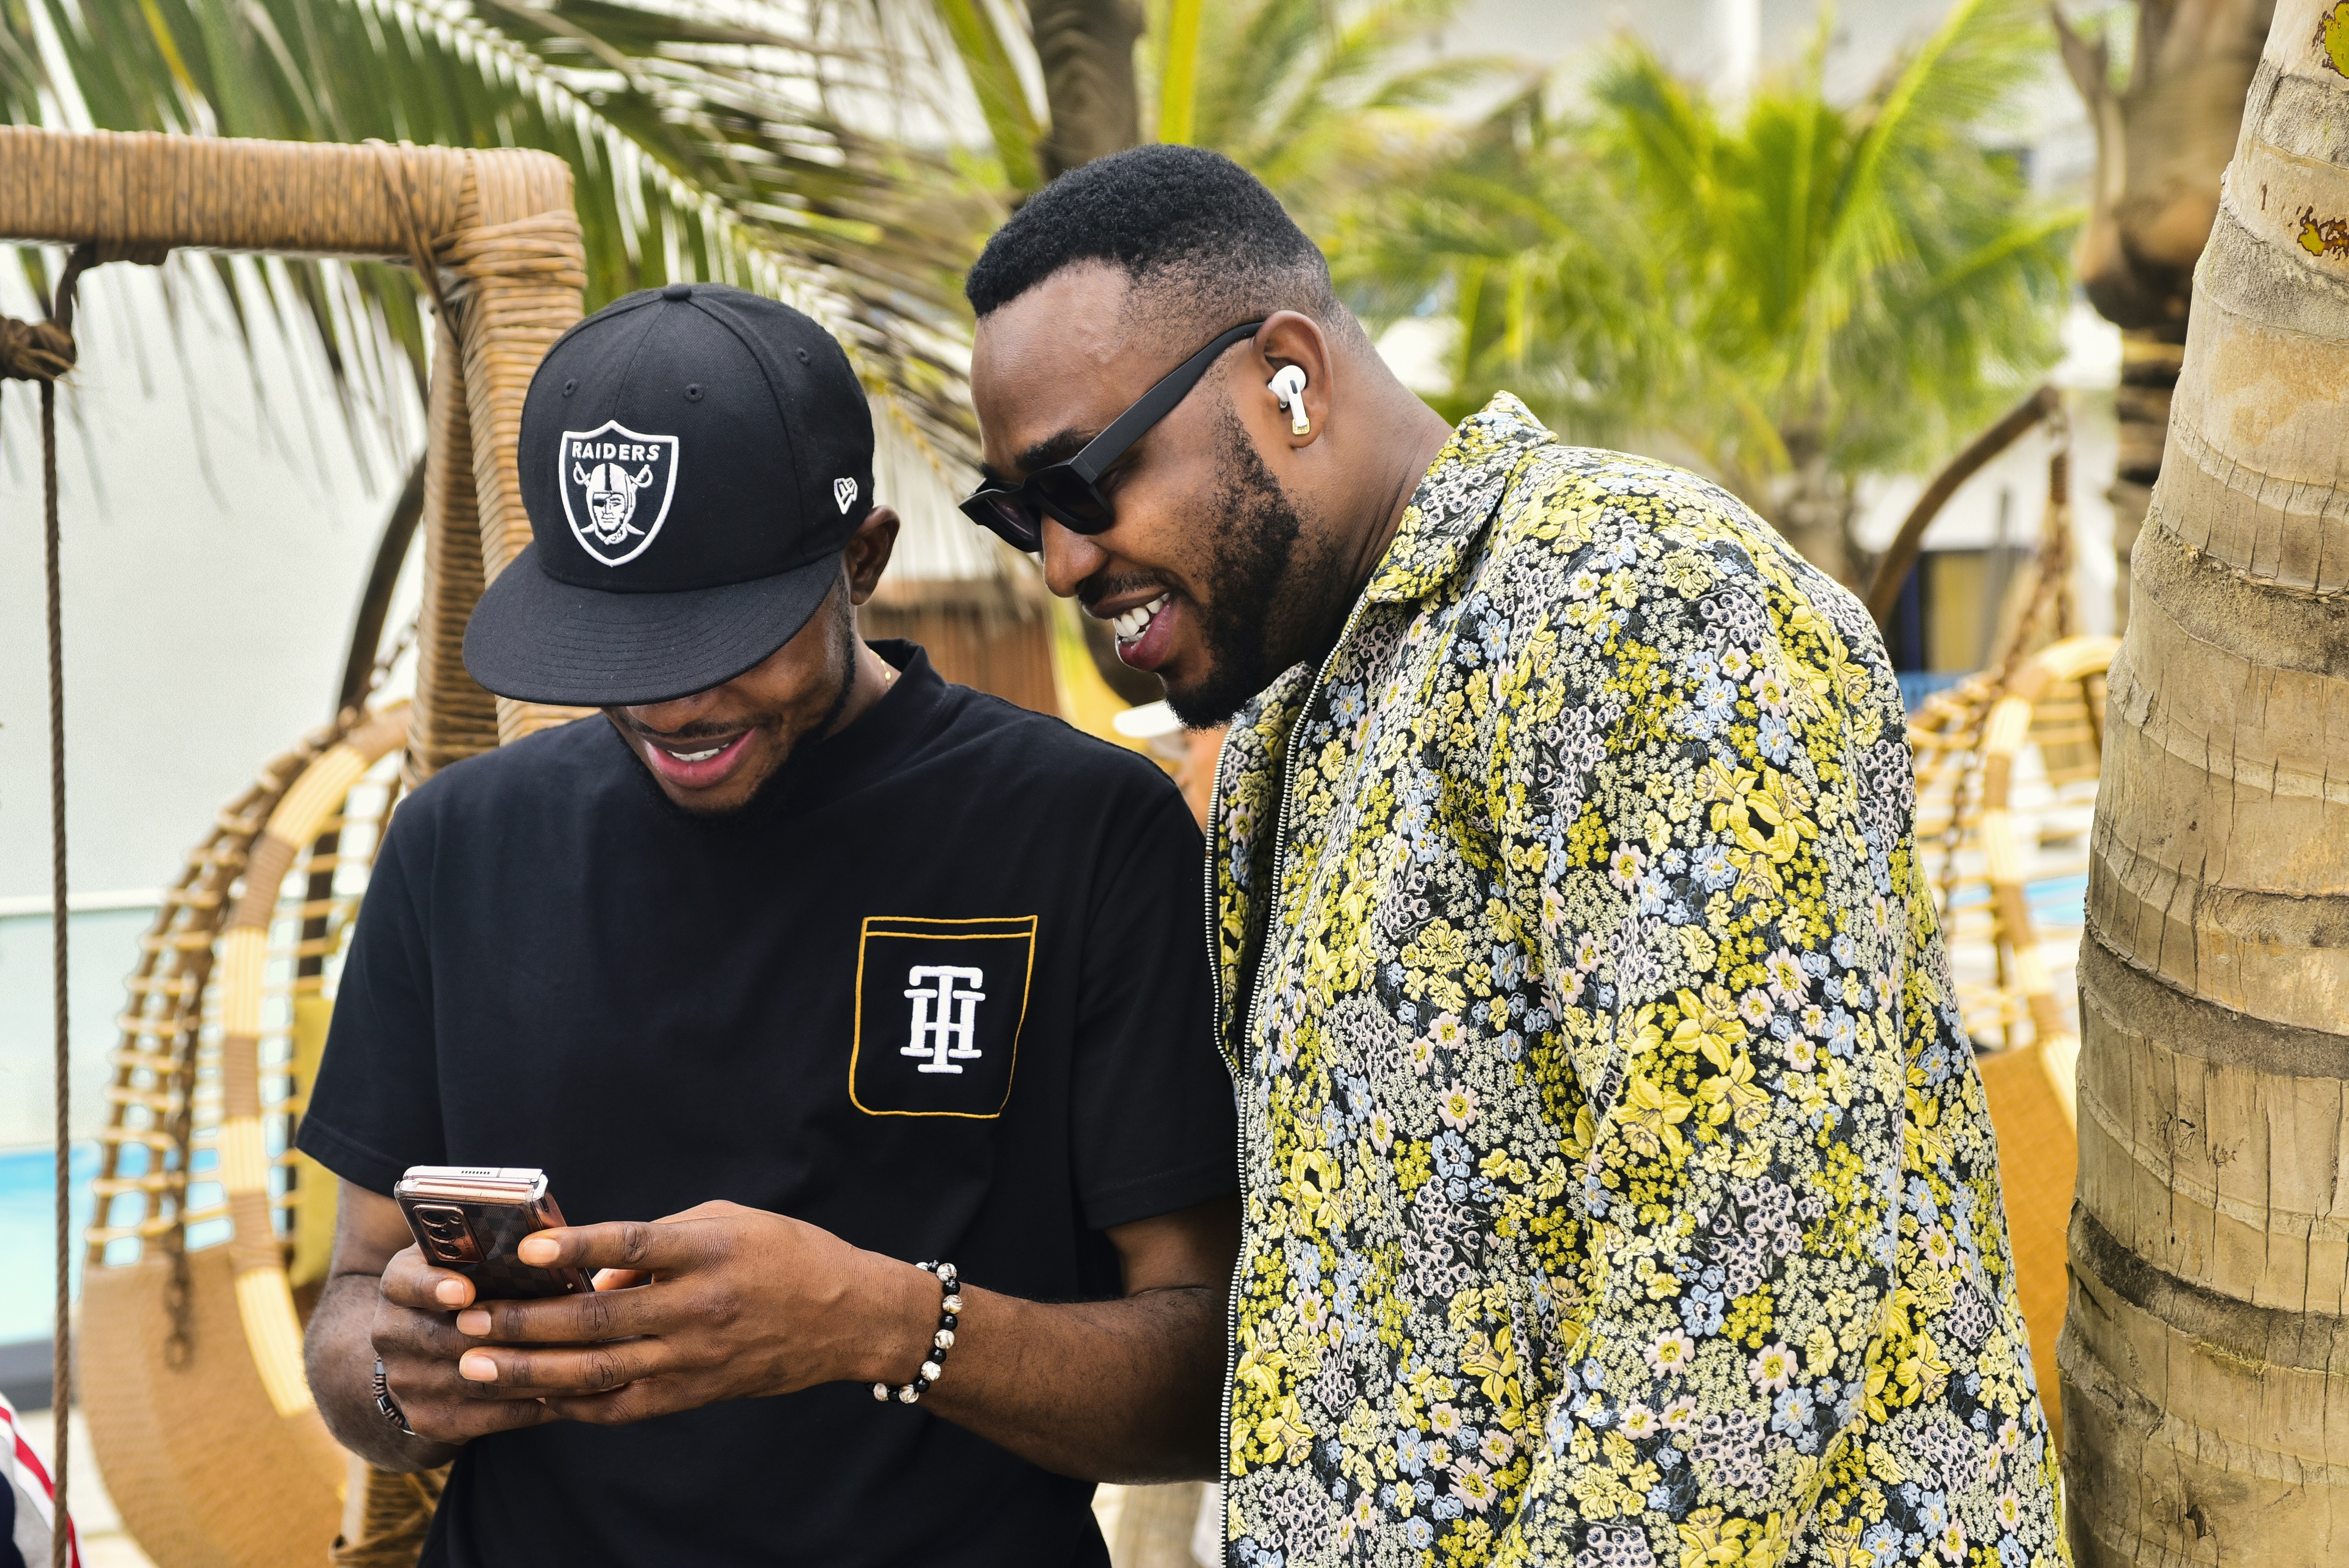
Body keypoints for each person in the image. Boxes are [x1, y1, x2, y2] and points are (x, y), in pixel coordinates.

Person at [959, 145, 2064, 1567]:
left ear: (1288, 377)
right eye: (1018, 514)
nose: (1059, 563)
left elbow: (1750, 1261)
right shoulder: (1304, 710)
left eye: (1082, 481)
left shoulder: (1633, 602)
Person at [297, 282, 1240, 1568]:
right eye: (624, 646)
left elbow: (1213, 1381)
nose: (673, 705)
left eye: (726, 637)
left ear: (863, 560)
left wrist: (880, 1324)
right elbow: (353, 1310)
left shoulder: (1087, 835)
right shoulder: (455, 843)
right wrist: (403, 1380)